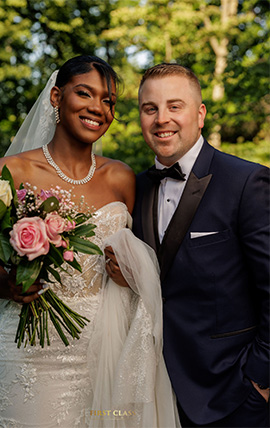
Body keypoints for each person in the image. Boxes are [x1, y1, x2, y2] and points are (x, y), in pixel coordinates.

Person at [0, 55, 179, 427]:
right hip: (30, 350)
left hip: (107, 348)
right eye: (85, 94)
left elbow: (140, 259)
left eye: (108, 101)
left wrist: (131, 269)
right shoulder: (9, 171)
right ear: (56, 97)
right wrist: (9, 284)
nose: (98, 108)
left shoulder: (122, 178)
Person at [130, 63, 269, 427]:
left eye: (175, 106)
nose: (162, 119)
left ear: (200, 114)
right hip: (155, 391)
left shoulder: (246, 182)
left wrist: (260, 379)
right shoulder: (136, 188)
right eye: (150, 108)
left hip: (233, 394)